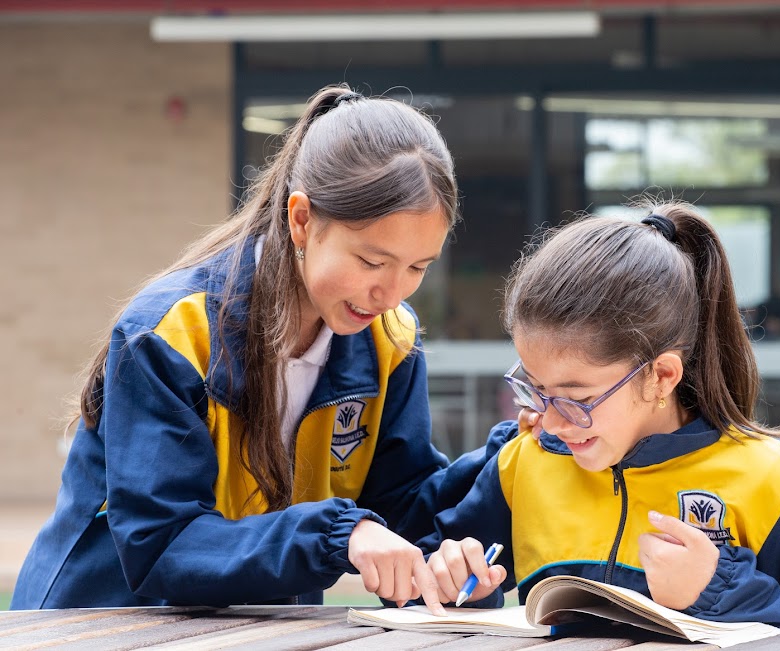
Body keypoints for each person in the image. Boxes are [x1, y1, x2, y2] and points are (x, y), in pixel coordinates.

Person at [12, 84, 463, 612]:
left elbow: (399, 507)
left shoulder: (391, 339)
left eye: (418, 268)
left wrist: (460, 538)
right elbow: (163, 546)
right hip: (98, 622)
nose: (390, 293)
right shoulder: (171, 333)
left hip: (252, 624)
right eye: (371, 261)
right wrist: (338, 535)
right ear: (301, 220)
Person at [417, 201, 780, 638]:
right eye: (536, 389)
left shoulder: (771, 479)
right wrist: (458, 584)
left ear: (661, 376)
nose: (551, 423)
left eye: (577, 398)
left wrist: (718, 591)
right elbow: (422, 582)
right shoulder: (524, 462)